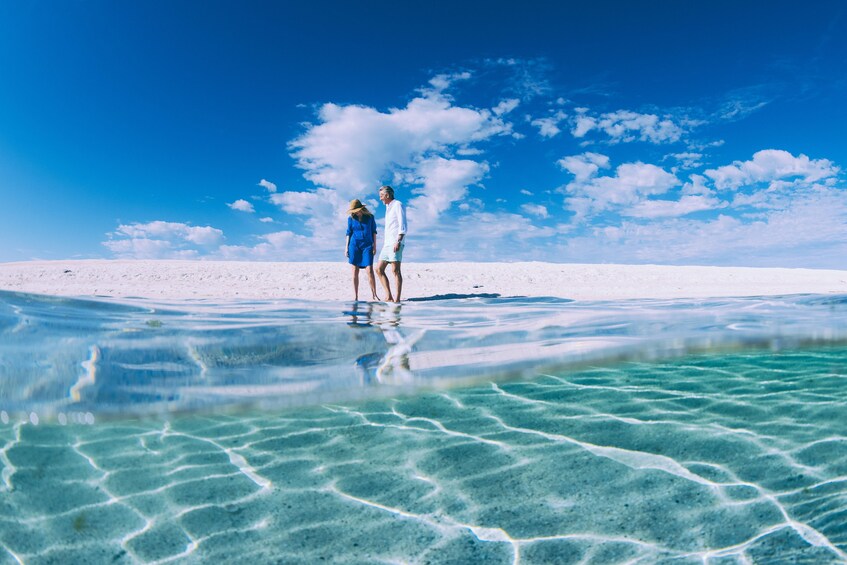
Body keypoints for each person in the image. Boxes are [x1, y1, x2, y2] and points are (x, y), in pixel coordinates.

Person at [376, 185, 407, 302]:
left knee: (395, 270)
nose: (380, 199)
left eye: (381, 196)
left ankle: (397, 299)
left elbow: (402, 224)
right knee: (379, 269)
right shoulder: (388, 207)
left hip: (396, 242)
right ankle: (388, 296)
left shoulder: (398, 204)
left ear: (387, 195)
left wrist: (398, 240)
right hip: (387, 244)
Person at [345, 199, 379, 301]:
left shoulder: (370, 217)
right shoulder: (350, 218)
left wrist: (374, 246)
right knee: (354, 271)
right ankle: (355, 297)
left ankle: (374, 294)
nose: (354, 212)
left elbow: (374, 232)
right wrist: (346, 247)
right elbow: (348, 233)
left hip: (367, 246)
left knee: (369, 270)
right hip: (354, 245)